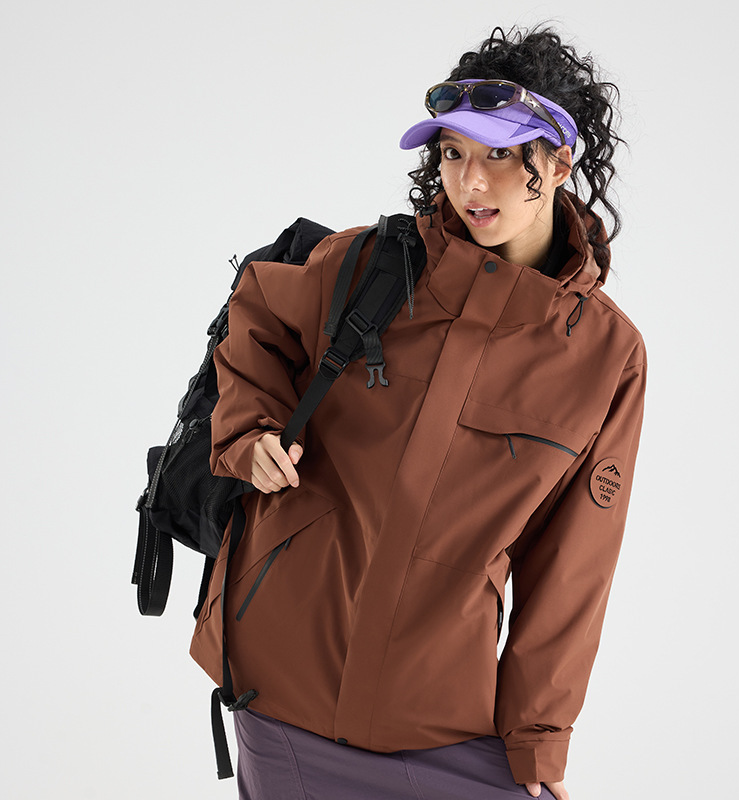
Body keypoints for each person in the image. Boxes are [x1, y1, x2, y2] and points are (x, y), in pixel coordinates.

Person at [189, 23, 646, 800]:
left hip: (443, 719)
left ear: (558, 162)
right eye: (454, 153)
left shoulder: (606, 355)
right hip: (285, 676)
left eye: (499, 155)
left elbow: (573, 568)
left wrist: (538, 743)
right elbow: (256, 310)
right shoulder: (368, 265)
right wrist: (249, 432)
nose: (470, 182)